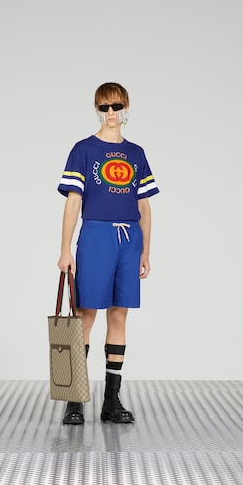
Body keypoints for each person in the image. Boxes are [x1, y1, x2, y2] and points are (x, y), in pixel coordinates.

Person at [57, 82, 159, 424]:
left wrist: (145, 249)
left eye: (116, 106)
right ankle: (74, 399)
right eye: (104, 107)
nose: (111, 113)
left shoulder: (136, 153)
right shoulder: (84, 150)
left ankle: (111, 401)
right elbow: (73, 201)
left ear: (126, 108)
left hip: (129, 238)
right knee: (85, 314)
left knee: (118, 316)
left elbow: (144, 205)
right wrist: (65, 249)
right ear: (97, 110)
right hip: (96, 235)